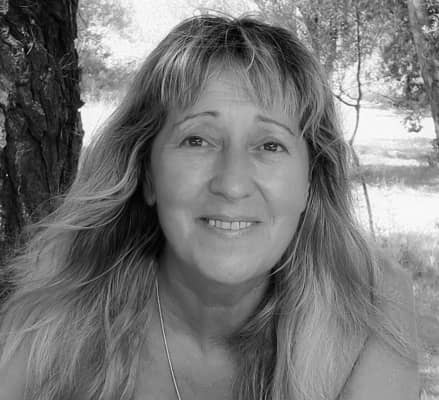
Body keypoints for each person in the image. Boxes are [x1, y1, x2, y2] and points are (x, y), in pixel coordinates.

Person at [0, 13, 419, 400]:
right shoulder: (52, 325)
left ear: (311, 182)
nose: (232, 184)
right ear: (147, 174)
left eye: (269, 145)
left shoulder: (371, 315)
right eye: (197, 140)